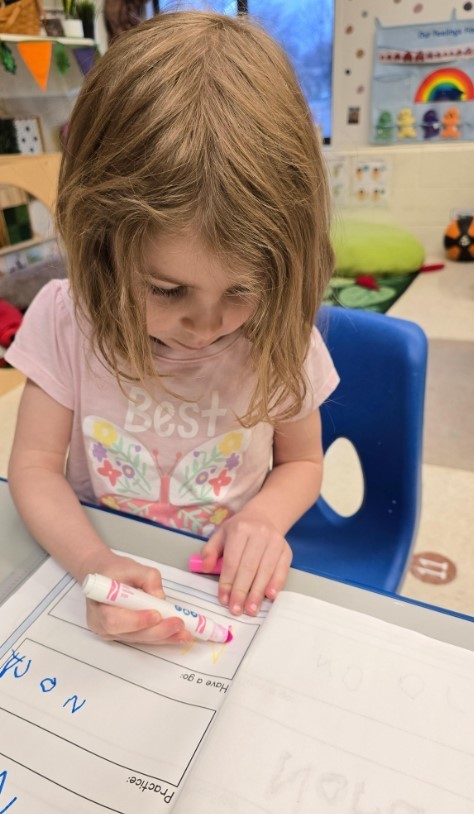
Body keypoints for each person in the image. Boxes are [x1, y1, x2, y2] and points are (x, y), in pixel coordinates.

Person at [6, 11, 339, 646]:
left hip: (223, 590)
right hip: (99, 560)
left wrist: (266, 520)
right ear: (100, 244)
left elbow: (302, 459)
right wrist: (93, 562)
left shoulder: (280, 332)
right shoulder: (62, 317)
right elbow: (35, 467)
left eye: (242, 289)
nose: (207, 325)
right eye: (166, 289)